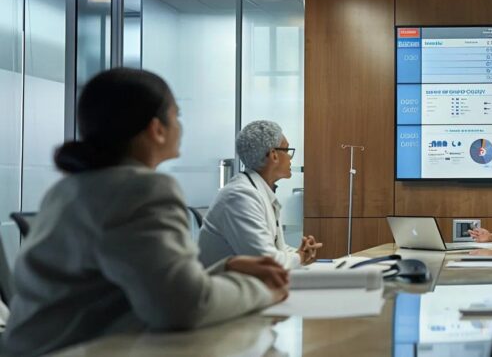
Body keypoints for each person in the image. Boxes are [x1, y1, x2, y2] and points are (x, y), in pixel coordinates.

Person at [2, 69, 288, 356]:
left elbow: (136, 289)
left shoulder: (71, 188)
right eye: (177, 116)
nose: (180, 126)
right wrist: (260, 289)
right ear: (157, 129)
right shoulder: (140, 189)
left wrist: (224, 268)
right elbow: (181, 307)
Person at [198, 121, 321, 269]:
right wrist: (299, 257)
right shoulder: (240, 197)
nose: (290, 158)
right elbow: (266, 262)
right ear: (273, 155)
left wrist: (299, 252)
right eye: (287, 150)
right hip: (223, 289)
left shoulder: (257, 192)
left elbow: (275, 249)